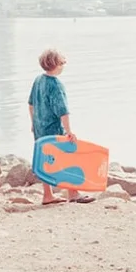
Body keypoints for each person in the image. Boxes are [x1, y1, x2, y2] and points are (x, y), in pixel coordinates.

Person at [28, 48, 94, 206]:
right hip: (54, 129)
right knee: (69, 158)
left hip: (39, 127)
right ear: (56, 64)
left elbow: (31, 104)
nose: (64, 65)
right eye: (62, 62)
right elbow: (63, 111)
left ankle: (48, 195)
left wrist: (33, 123)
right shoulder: (56, 85)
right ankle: (73, 193)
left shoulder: (38, 80)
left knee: (45, 160)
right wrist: (69, 132)